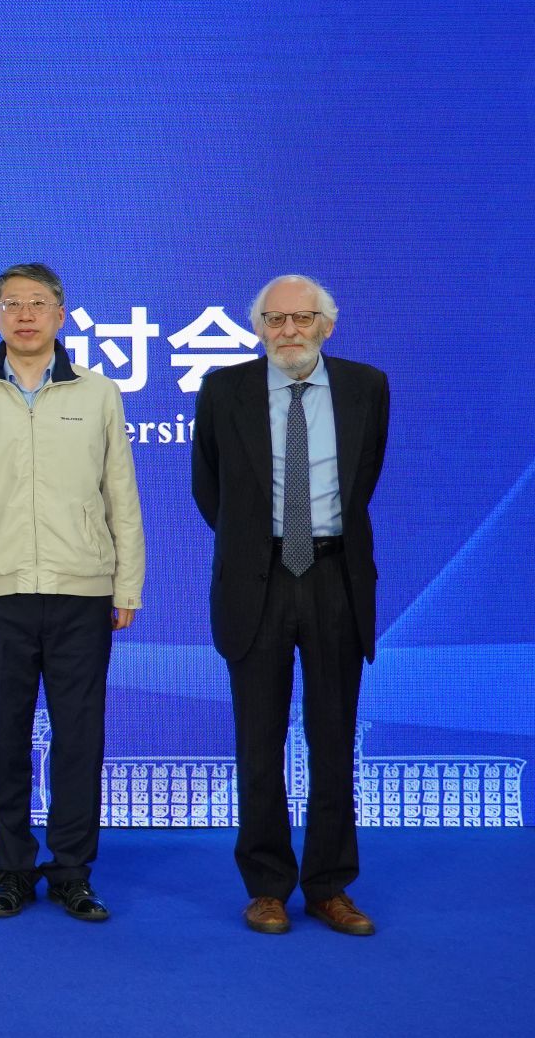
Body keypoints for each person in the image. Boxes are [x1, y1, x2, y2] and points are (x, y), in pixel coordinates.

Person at [0, 262, 143, 922]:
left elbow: (120, 494)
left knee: (79, 737)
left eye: (37, 303)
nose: (24, 315)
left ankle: (73, 871)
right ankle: (11, 870)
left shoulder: (99, 392)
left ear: (60, 314)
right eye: (11, 304)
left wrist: (126, 583)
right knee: (4, 737)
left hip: (82, 588)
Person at [193, 274, 388, 937]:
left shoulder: (366, 387)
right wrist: (260, 545)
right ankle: (267, 887)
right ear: (258, 328)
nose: (288, 331)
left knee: (334, 740)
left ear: (326, 325)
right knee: (258, 743)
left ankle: (329, 886)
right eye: (274, 320)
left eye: (302, 319)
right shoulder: (225, 390)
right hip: (258, 580)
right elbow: (210, 490)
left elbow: (363, 479)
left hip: (336, 578)